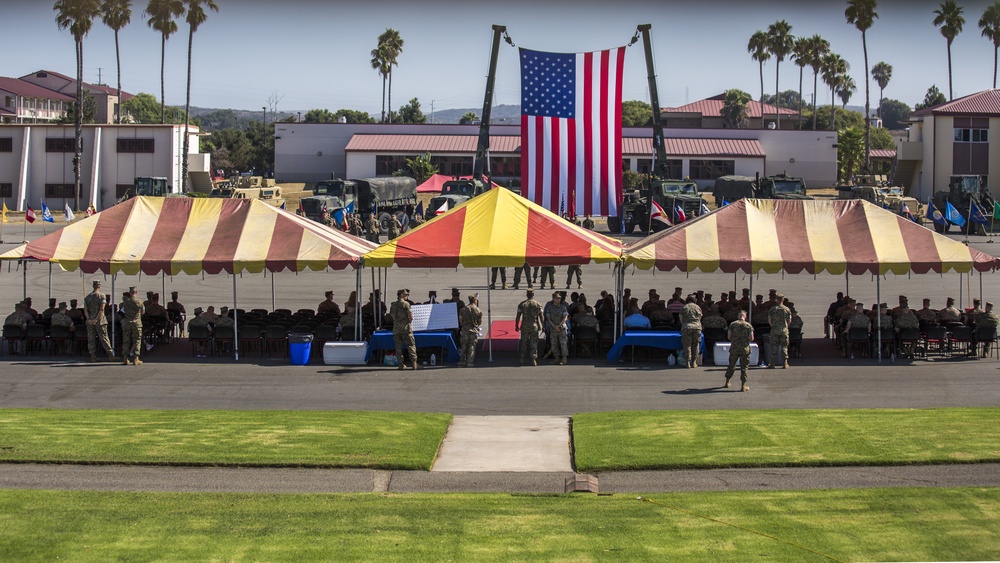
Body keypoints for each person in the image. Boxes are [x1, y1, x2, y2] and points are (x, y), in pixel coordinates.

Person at [84, 280, 116, 363]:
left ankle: (93, 356)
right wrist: (96, 319)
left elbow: (85, 310)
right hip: (100, 321)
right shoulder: (102, 296)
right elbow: (102, 309)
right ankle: (110, 355)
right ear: (99, 286)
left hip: (90, 320)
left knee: (91, 339)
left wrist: (89, 319)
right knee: (104, 338)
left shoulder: (87, 297)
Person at [724, 311, 754, 392]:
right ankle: (743, 385)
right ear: (745, 316)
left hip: (734, 348)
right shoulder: (748, 325)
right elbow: (751, 338)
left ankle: (727, 382)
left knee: (731, 365)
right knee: (744, 367)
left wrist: (735, 341)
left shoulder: (733, 324)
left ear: (738, 316)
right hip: (745, 349)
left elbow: (729, 336)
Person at [389, 288, 417, 370]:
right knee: (411, 345)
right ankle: (414, 363)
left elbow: (392, 316)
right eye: (406, 295)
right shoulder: (406, 304)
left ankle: (400, 364)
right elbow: (411, 316)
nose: (407, 296)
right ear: (401, 295)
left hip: (397, 329)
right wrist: (408, 322)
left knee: (398, 347)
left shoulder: (393, 305)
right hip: (406, 328)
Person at [515, 289, 544, 366]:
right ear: (533, 295)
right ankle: (534, 359)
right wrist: (543, 326)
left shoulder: (522, 304)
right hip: (534, 325)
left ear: (527, 295)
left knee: (524, 342)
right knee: (534, 342)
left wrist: (516, 325)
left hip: (525, 325)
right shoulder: (538, 304)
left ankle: (522, 358)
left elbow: (518, 316)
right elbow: (541, 317)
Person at [120, 286, 144, 365]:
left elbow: (122, 312)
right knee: (137, 340)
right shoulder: (139, 302)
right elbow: (143, 312)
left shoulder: (125, 303)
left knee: (126, 340)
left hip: (127, 323)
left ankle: (125, 358)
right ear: (135, 293)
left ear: (130, 293)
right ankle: (136, 358)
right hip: (136, 323)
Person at [767, 292, 792, 369]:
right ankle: (785, 363)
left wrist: (773, 326)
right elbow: (789, 320)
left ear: (776, 300)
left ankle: (772, 363)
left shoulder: (772, 309)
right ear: (783, 299)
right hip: (784, 330)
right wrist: (785, 326)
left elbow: (769, 320)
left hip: (775, 330)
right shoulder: (787, 309)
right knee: (784, 347)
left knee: (774, 347)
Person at [544, 292, 570, 365]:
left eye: (559, 298)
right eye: (557, 298)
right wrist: (554, 326)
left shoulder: (563, 307)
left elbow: (565, 317)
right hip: (553, 328)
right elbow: (548, 318)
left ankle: (564, 358)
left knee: (563, 343)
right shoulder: (550, 308)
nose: (558, 300)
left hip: (561, 328)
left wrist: (559, 325)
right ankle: (557, 357)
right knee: (554, 344)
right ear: (553, 299)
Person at [458, 294, 482, 367]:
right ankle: (469, 362)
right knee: (472, 346)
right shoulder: (478, 310)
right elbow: (479, 322)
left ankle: (462, 361)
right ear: (475, 300)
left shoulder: (463, 309)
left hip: (465, 329)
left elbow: (460, 320)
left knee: (464, 346)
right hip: (473, 330)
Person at [680, 295, 703, 368]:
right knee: (696, 344)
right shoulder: (697, 307)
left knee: (687, 345)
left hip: (687, 326)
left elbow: (681, 318)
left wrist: (684, 324)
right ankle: (694, 362)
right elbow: (700, 317)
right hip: (697, 327)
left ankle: (687, 362)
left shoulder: (684, 307)